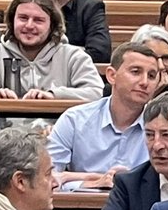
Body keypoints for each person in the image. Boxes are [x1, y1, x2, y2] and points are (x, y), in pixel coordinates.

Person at [47, 42, 160, 191]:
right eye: (135, 72)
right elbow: (47, 178)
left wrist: (71, 177)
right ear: (111, 75)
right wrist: (93, 182)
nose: (145, 82)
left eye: (151, 76)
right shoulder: (74, 120)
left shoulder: (162, 126)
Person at [0, 0, 100, 101]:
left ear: (52, 25)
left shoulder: (74, 57)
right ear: (12, 20)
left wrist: (54, 95)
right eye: (23, 18)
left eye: (38, 20)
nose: (29, 25)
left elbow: (96, 92)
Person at [36, 0, 109, 63]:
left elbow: (100, 53)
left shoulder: (91, 7)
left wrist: (45, 54)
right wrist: (79, 50)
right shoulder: (29, 7)